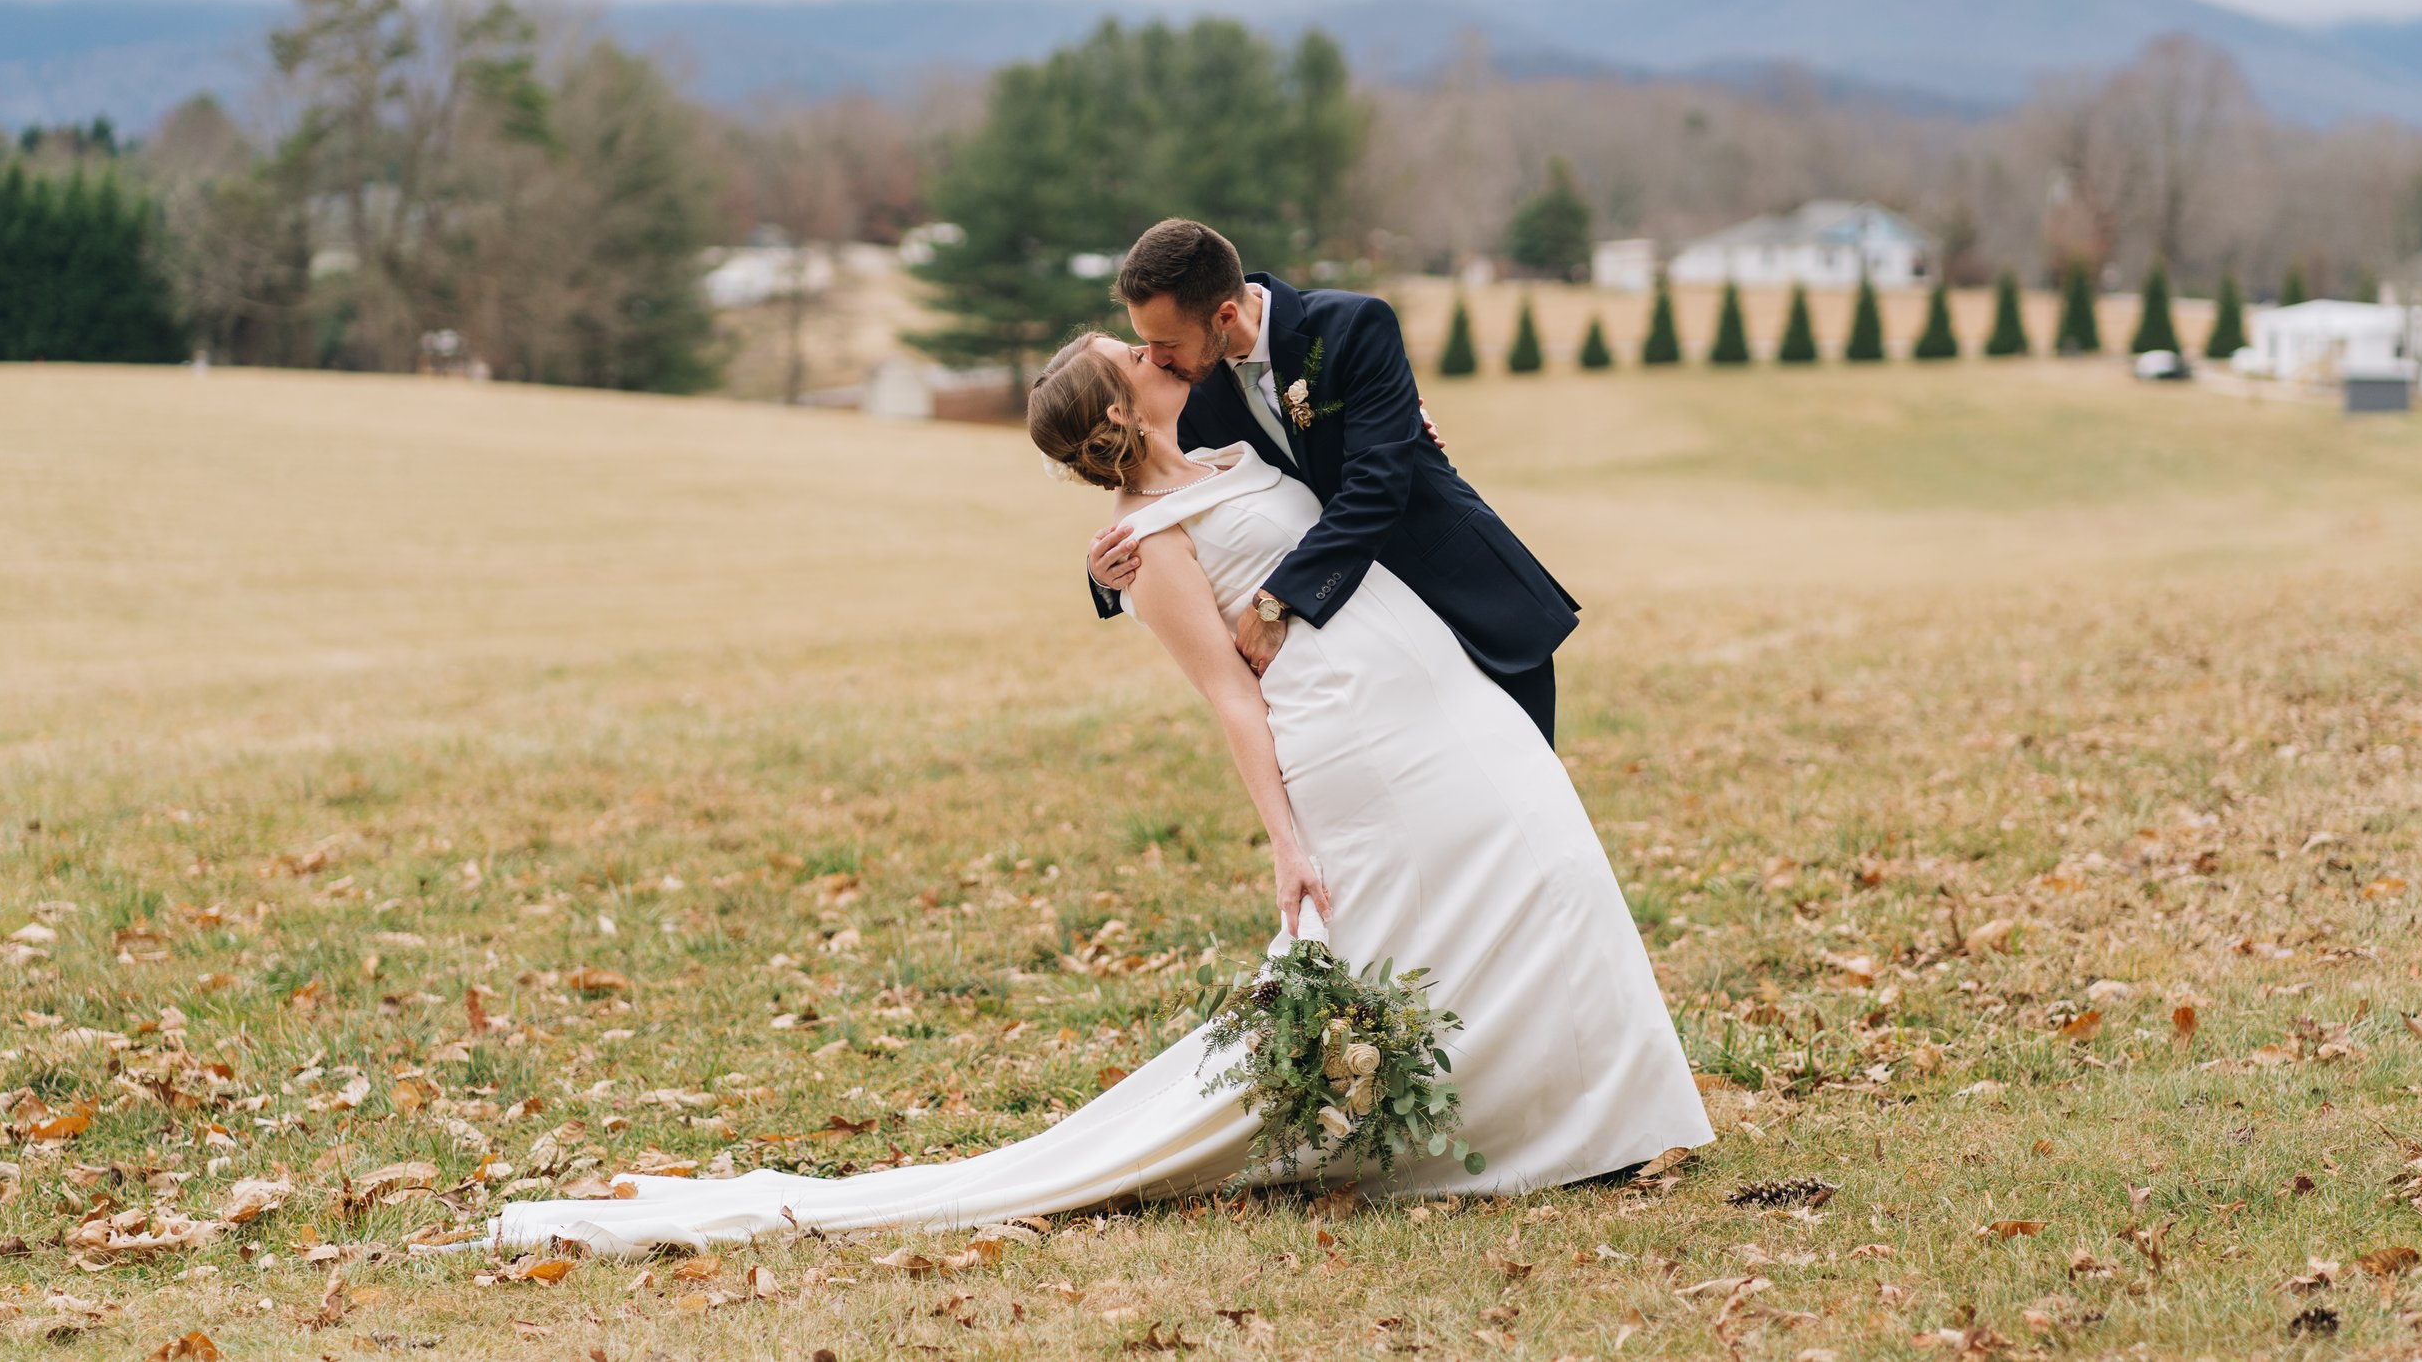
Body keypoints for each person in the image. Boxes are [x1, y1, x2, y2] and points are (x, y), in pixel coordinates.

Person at [473, 333, 1709, 1255]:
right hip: (1355, 741)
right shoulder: (1143, 543)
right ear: (1123, 399)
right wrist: (1283, 839)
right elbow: (1228, 695)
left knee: (1546, 857)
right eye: (1133, 351)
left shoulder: (1232, 436)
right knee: (1423, 922)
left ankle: (1595, 1101)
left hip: (1436, 693)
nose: (1155, 348)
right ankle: (1524, 1123)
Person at [1087, 219, 1578, 745]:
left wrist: (1276, 600)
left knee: (1524, 792)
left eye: (1167, 343)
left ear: (1225, 315)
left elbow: (1376, 486)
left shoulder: (1353, 326)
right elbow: (1158, 488)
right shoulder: (1191, 395)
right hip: (1365, 645)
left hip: (1459, 594)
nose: (1158, 361)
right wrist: (1105, 571)